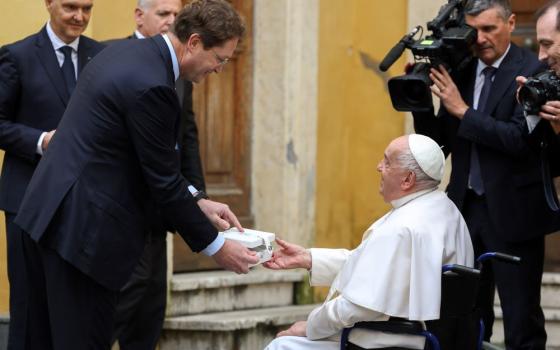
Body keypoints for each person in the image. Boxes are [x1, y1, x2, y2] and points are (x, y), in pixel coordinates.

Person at [13, 0, 259, 349]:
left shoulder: (123, 55)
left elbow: (137, 158)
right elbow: (161, 179)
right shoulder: (155, 85)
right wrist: (216, 246)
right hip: (80, 237)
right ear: (193, 43)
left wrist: (197, 201)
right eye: (219, 58)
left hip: (45, 219)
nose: (219, 70)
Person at [412, 0, 559, 348]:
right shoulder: (460, 70)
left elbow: (519, 140)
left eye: (490, 29)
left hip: (515, 213)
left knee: (521, 320)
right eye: (474, 29)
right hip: (464, 212)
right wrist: (420, 102)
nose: (479, 38)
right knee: (464, 317)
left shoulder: (535, 69)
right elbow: (439, 146)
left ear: (510, 23)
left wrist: (463, 111)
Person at [263, 134, 474, 350]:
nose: (378, 167)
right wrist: (309, 258)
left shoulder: (403, 227)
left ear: (408, 179)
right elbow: (375, 265)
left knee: (282, 345)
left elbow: (356, 307)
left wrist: (310, 326)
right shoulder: (444, 209)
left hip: (394, 340)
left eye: (387, 162)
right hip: (429, 336)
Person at [0, 0, 105, 349]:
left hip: (85, 204)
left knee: (76, 310)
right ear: (48, 3)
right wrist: (42, 141)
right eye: (70, 7)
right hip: (27, 198)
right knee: (30, 306)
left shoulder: (103, 56)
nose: (80, 17)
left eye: (87, 8)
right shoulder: (17, 55)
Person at [105, 1, 208, 349]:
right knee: (117, 308)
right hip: (121, 210)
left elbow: (187, 137)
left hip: (162, 210)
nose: (171, 22)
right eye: (163, 14)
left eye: (177, 16)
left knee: (150, 310)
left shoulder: (181, 70)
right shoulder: (111, 57)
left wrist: (198, 197)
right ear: (139, 16)